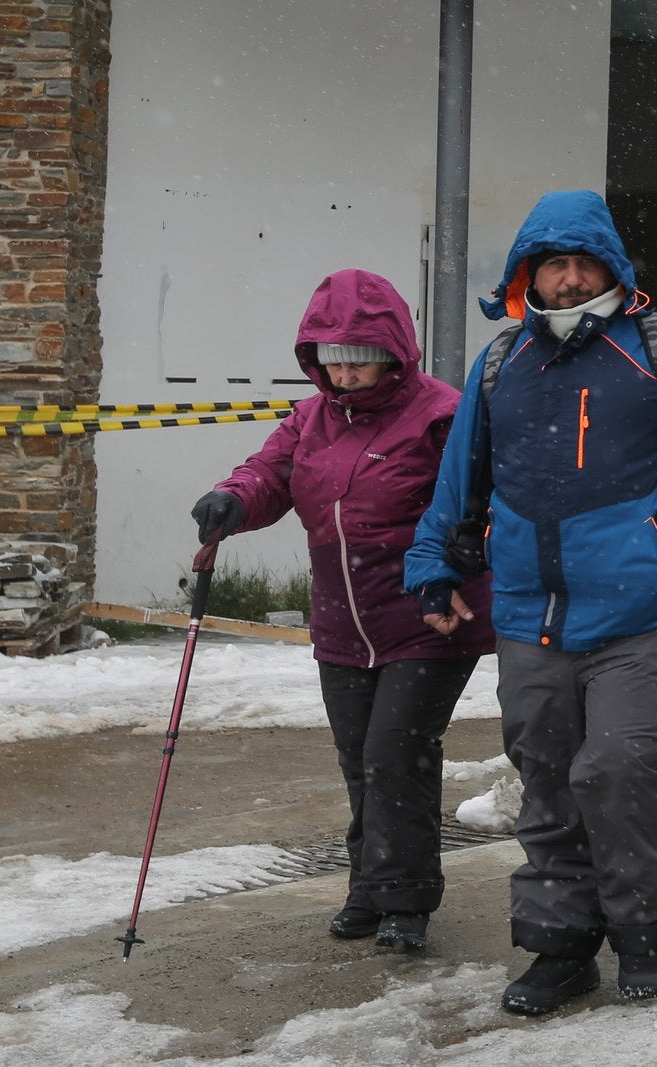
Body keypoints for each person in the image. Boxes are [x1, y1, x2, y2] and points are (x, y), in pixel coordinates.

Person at [406, 190, 657, 1014]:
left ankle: (643, 934)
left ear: (612, 268)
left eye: (583, 261)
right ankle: (560, 948)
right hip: (530, 613)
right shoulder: (501, 362)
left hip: (642, 610)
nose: (568, 276)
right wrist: (433, 567)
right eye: (552, 263)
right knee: (548, 779)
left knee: (622, 769)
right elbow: (460, 481)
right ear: (529, 273)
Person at [190, 268, 496, 951]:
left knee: (396, 753)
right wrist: (231, 500)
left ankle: (406, 900)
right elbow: (267, 475)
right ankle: (370, 884)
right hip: (341, 621)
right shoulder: (310, 420)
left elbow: (476, 507)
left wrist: (452, 561)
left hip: (430, 615)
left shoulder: (441, 413)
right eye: (333, 358)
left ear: (394, 351)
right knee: (359, 756)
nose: (347, 373)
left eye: (361, 357)